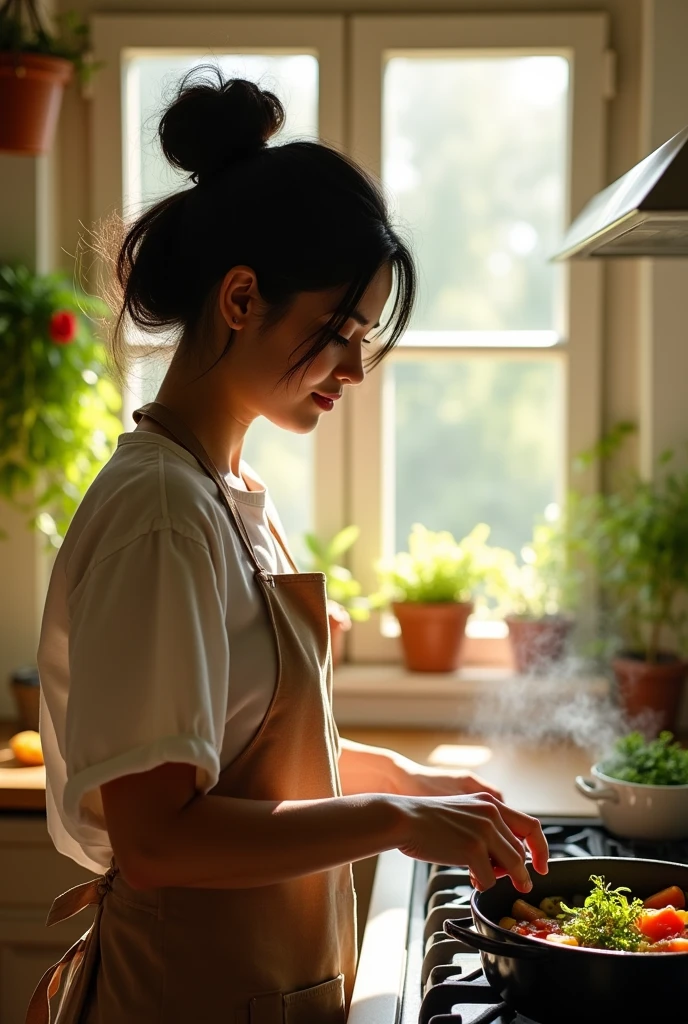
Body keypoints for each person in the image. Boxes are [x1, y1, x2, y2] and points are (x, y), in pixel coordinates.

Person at [29, 69, 548, 1024]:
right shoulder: (162, 515)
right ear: (239, 299)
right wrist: (395, 820)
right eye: (338, 329)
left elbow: (248, 768)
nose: (355, 366)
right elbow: (159, 842)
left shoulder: (226, 496)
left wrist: (419, 783)